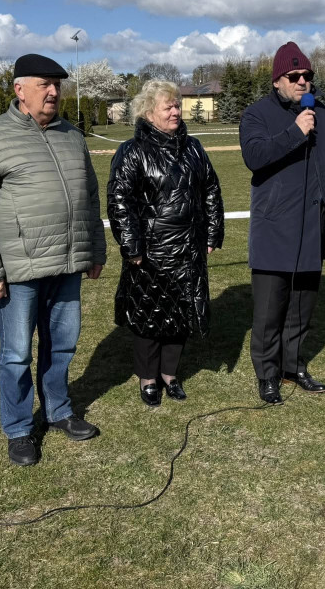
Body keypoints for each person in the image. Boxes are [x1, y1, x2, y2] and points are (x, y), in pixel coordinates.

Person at [0, 53, 107, 467]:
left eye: (58, 84)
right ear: (20, 89)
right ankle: (20, 428)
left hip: (68, 264)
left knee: (62, 347)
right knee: (17, 354)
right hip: (18, 270)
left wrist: (95, 250)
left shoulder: (72, 136)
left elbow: (91, 199)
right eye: (45, 84)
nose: (55, 92)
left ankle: (59, 411)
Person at [239, 42, 325, 405]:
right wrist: (295, 133)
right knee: (270, 312)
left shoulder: (324, 114)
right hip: (274, 229)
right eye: (295, 76)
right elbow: (254, 157)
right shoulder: (256, 115)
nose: (303, 82)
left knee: (302, 308)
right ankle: (267, 375)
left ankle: (293, 366)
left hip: (313, 227)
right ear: (277, 80)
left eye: (308, 76)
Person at [107, 80, 224, 407]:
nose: (176, 111)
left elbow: (211, 190)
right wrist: (132, 248)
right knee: (150, 318)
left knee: (181, 316)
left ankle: (170, 375)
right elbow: (119, 201)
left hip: (188, 251)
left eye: (177, 105)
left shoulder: (194, 148)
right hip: (150, 255)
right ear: (148, 113)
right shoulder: (131, 152)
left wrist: (213, 233)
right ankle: (148, 379)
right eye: (168, 107)